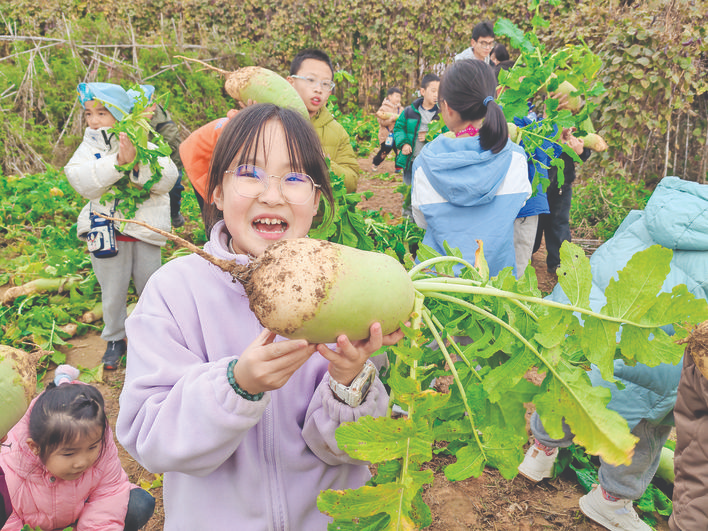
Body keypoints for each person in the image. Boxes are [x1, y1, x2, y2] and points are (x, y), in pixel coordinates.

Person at [116, 104, 405, 530]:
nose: (272, 194)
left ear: (317, 199)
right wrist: (236, 385)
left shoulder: (345, 290)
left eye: (294, 178)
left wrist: (350, 382)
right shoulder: (174, 291)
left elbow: (348, 450)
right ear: (215, 191)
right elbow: (149, 438)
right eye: (250, 173)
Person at [518, 176, 708, 531]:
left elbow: (610, 252)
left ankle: (539, 454)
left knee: (571, 388)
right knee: (642, 429)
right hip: (647, 356)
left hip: (589, 321)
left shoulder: (663, 211)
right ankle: (609, 501)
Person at [65, 83, 178, 370]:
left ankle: (152, 338)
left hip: (143, 231)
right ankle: (115, 338)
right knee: (112, 291)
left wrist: (138, 164)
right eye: (89, 114)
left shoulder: (146, 142)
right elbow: (81, 180)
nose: (93, 121)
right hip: (106, 230)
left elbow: (166, 179)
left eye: (101, 113)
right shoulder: (89, 148)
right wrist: (117, 163)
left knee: (150, 287)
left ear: (118, 113)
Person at [411, 60, 530, 277]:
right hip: (495, 290)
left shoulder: (424, 162)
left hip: (438, 287)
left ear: (446, 107)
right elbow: (517, 208)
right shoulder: (516, 158)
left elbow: (421, 221)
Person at [0, 365, 155, 530]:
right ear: (35, 447)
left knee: (139, 504)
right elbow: (7, 522)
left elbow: (108, 494)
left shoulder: (102, 451)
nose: (82, 462)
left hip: (80, 523)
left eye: (92, 447)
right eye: (68, 454)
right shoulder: (10, 470)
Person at [287, 48, 360, 193]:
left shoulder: (337, 132)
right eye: (311, 80)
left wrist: (326, 165)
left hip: (318, 215)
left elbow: (352, 182)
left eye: (326, 84)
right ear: (291, 82)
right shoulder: (270, 121)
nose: (318, 89)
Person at [533, 128, 592, 274]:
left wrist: (580, 152)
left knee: (559, 224)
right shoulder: (538, 125)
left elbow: (584, 153)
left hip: (562, 186)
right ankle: (526, 255)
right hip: (538, 186)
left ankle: (559, 264)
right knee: (534, 224)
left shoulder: (574, 129)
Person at [128, 84, 187, 228]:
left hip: (171, 162)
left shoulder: (163, 124)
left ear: (152, 106)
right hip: (147, 164)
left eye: (141, 107)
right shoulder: (132, 117)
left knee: (173, 189)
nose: (137, 111)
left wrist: (149, 150)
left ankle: (174, 215)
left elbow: (171, 148)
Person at [393, 74, 441, 186]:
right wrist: (404, 144)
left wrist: (430, 136)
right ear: (423, 92)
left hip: (430, 162)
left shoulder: (442, 114)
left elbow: (447, 135)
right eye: (433, 91)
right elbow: (399, 128)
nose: (436, 95)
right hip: (411, 160)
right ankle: (408, 203)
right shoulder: (409, 111)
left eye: (439, 91)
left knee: (426, 189)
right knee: (408, 189)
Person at [371, 87, 403, 172]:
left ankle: (398, 167)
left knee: (399, 151)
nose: (398, 99)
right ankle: (375, 163)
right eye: (396, 96)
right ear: (389, 97)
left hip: (397, 135)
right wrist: (390, 120)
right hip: (386, 135)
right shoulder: (384, 108)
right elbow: (381, 121)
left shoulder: (401, 109)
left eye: (399, 97)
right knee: (384, 152)